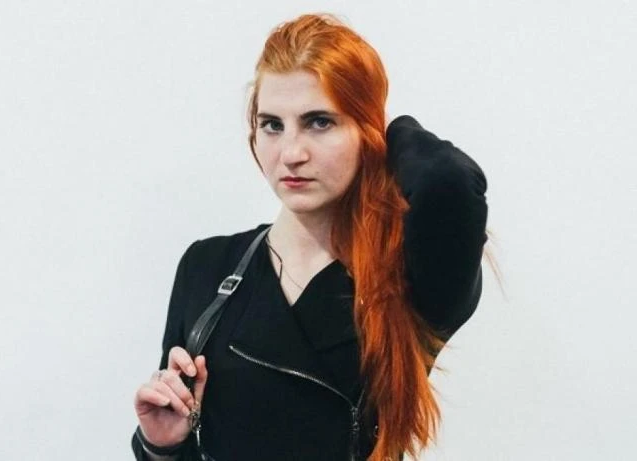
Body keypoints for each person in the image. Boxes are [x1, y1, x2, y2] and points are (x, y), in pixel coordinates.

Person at [132, 13, 490, 461]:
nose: (291, 153)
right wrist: (162, 444)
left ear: (365, 130)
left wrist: (392, 132)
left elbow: (447, 182)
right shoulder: (208, 266)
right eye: (272, 124)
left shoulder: (409, 276)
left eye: (319, 122)